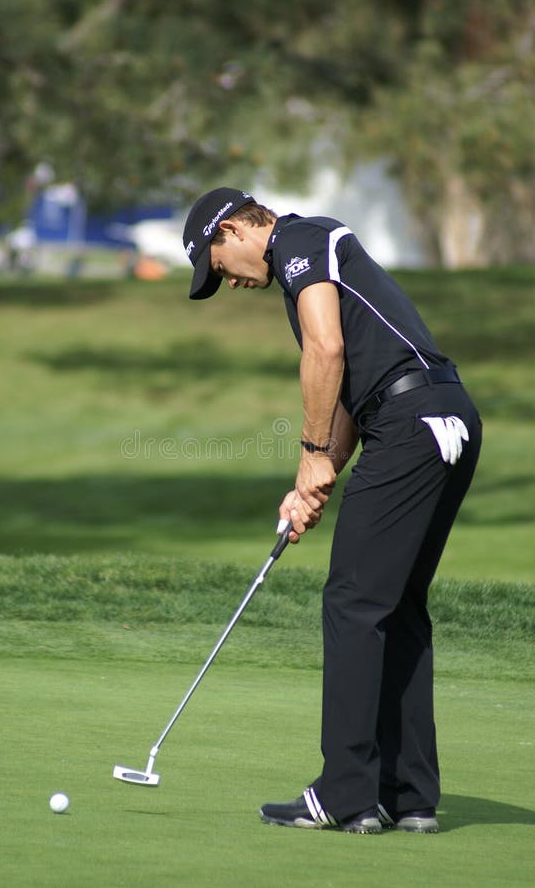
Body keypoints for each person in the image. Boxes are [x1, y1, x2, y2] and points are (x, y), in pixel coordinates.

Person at [182, 187, 482, 834]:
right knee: (394, 605)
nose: (226, 282)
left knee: (352, 603)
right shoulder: (315, 249)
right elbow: (349, 386)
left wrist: (312, 454)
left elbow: (324, 351)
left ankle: (344, 794)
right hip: (444, 415)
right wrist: (315, 481)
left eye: (217, 265)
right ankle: (408, 797)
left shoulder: (300, 242)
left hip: (408, 424)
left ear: (233, 230)